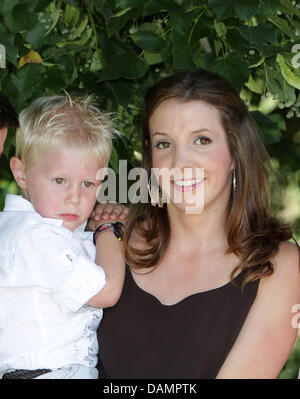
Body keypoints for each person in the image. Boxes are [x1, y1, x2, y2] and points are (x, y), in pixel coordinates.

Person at [94, 69, 300, 379]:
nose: (180, 163)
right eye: (165, 144)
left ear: (235, 152)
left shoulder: (277, 265)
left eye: (201, 140)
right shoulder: (110, 237)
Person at [0, 95, 126, 379]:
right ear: (21, 173)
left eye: (88, 184)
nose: (74, 198)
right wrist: (110, 231)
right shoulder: (35, 238)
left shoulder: (33, 229)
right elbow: (106, 291)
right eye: (60, 181)